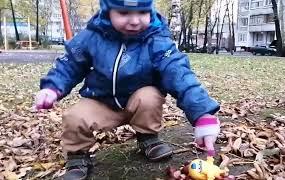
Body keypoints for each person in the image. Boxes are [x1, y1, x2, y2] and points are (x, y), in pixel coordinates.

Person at [34, 0, 221, 179]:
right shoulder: (93, 36)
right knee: (74, 116)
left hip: (138, 101)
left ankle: (148, 137)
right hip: (101, 100)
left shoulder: (156, 39)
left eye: (142, 12)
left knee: (150, 96)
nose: (134, 20)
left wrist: (202, 113)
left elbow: (178, 72)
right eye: (124, 13)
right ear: (108, 11)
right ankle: (77, 157)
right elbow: (70, 64)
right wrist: (52, 88)